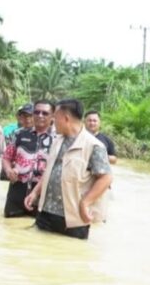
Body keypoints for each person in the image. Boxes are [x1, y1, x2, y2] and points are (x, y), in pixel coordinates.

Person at [24, 99, 112, 240]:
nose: (53, 121)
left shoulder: (94, 146)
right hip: (45, 213)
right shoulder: (57, 141)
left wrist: (86, 202)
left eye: (55, 117)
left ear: (66, 118)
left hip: (73, 218)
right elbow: (50, 171)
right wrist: (35, 193)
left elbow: (106, 178)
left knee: (71, 252)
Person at [2, 100, 55, 218]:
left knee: (38, 225)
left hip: (43, 190)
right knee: (10, 224)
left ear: (53, 116)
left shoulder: (58, 138)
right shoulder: (19, 134)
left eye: (45, 113)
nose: (40, 115)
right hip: (17, 187)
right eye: (36, 112)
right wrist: (8, 170)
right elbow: (6, 157)